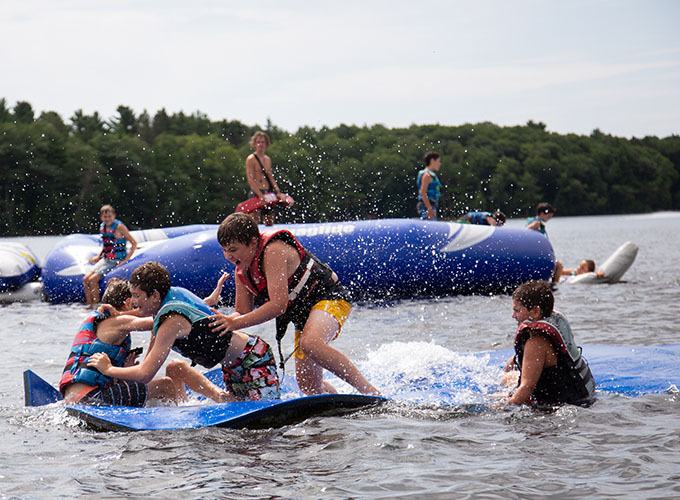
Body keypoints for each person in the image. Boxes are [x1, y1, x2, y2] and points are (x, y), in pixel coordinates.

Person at [209, 212, 381, 397]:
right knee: (310, 389)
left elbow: (278, 306)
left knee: (311, 343)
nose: (228, 256)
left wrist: (235, 323)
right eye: (224, 250)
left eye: (233, 249)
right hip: (303, 314)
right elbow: (241, 312)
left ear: (252, 242)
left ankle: (371, 393)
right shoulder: (241, 272)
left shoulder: (273, 250)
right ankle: (335, 399)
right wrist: (224, 321)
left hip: (330, 298)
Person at [88, 262, 280, 402]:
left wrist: (108, 369)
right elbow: (141, 317)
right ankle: (216, 397)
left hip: (253, 358)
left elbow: (146, 374)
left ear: (155, 295)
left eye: (137, 296)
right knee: (239, 410)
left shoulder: (171, 322)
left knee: (262, 419)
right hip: (233, 366)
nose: (134, 301)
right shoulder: (169, 297)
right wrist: (119, 314)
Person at [60, 278, 227, 406]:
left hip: (75, 398)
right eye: (137, 299)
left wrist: (123, 369)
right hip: (90, 400)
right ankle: (181, 418)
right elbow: (163, 319)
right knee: (166, 385)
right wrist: (203, 305)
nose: (142, 307)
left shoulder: (104, 324)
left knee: (173, 369)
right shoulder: (117, 321)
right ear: (128, 303)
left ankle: (177, 408)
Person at [500, 280, 596, 406]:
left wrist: (502, 408)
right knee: (506, 379)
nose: (513, 316)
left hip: (558, 404)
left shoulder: (536, 343)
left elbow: (526, 388)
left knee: (495, 399)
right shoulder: (547, 329)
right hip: (580, 394)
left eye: (517, 310)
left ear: (535, 311)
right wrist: (514, 360)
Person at [83, 205, 137, 308]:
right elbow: (106, 244)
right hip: (106, 259)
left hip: (116, 259)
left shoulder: (119, 227)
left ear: (114, 216)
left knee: (93, 280)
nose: (107, 219)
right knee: (86, 279)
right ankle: (89, 305)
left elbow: (134, 243)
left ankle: (96, 306)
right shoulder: (103, 227)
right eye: (105, 217)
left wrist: (125, 261)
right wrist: (97, 257)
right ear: (101, 218)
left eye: (109, 216)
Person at [245, 131, 284, 226]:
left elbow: (270, 177)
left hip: (268, 191)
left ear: (266, 143)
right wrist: (260, 195)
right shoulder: (251, 159)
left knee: (269, 220)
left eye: (262, 142)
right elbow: (250, 180)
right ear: (254, 144)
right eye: (258, 142)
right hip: (256, 192)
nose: (260, 144)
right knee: (254, 221)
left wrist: (277, 191)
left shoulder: (268, 159)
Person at [416, 151, 442, 221]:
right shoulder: (426, 175)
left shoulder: (431, 175)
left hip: (430, 205)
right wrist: (429, 209)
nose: (440, 164)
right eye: (438, 161)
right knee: (431, 228)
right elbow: (423, 193)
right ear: (432, 161)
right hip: (426, 205)